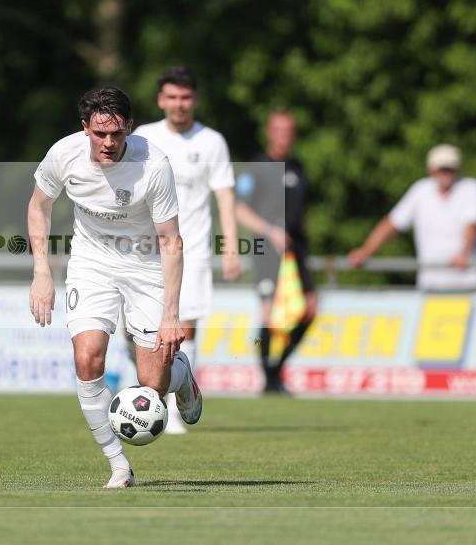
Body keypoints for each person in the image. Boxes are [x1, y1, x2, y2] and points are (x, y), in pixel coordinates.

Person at [27, 86, 202, 489]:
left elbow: (171, 242)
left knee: (152, 383)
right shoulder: (63, 155)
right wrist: (41, 273)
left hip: (145, 266)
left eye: (117, 134)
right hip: (91, 263)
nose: (109, 143)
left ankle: (181, 378)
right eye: (100, 134)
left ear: (130, 128)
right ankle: (119, 467)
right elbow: (39, 205)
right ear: (85, 128)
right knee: (88, 359)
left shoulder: (154, 164)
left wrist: (171, 316)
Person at [130, 67, 239, 432]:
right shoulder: (144, 138)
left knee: (185, 329)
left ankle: (174, 410)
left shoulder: (212, 142)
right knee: (139, 332)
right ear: (161, 100)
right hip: (143, 252)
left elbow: (225, 197)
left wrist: (230, 246)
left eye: (185, 97)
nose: (179, 104)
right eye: (172, 97)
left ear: (195, 100)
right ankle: (153, 392)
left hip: (190, 250)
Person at [235, 111, 316, 393]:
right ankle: (269, 380)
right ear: (269, 132)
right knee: (270, 315)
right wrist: (270, 231)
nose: (284, 134)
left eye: (289, 129)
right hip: (266, 250)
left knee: (309, 310)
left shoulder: (298, 167)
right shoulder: (256, 166)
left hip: (296, 252)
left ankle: (276, 370)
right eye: (279, 129)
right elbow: (239, 209)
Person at [348, 144, 476, 291]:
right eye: (442, 169)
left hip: (469, 283)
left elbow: (472, 224)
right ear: (431, 170)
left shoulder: (471, 188)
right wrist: (366, 251)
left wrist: (464, 254)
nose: (446, 173)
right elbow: (392, 224)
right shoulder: (420, 191)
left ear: (458, 169)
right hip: (431, 285)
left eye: (450, 169)